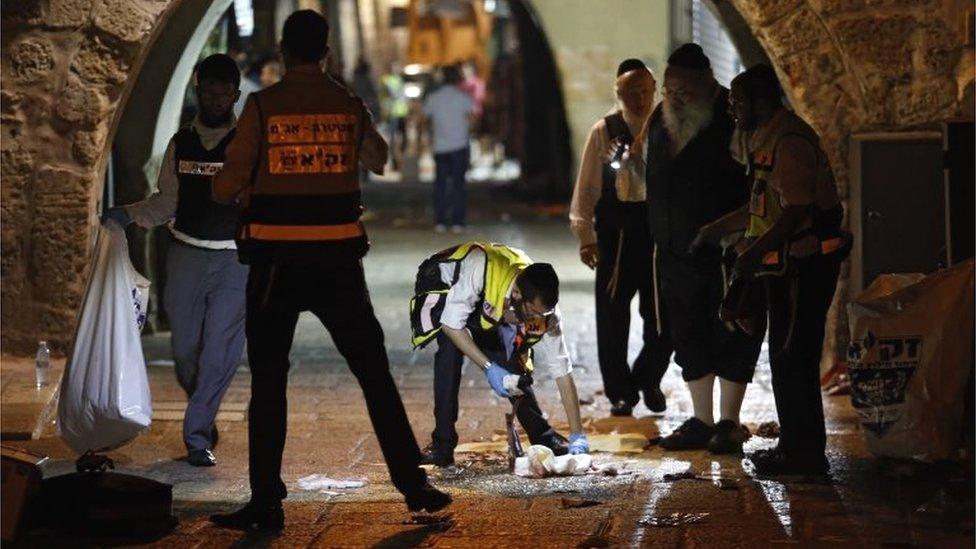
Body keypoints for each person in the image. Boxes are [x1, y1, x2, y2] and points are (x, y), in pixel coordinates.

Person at [208, 10, 450, 530]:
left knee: (269, 382)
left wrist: (250, 182)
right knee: (374, 375)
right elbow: (380, 160)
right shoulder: (347, 105)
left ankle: (266, 504)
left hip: (275, 266)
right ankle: (414, 484)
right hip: (338, 264)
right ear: (327, 54)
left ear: (282, 51)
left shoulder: (263, 107)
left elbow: (224, 188)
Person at [692, 64, 845, 475]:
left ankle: (805, 456)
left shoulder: (789, 142)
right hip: (785, 267)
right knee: (784, 357)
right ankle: (794, 448)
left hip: (805, 265)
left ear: (761, 101)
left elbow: (795, 213)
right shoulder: (766, 137)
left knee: (795, 358)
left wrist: (752, 253)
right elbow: (763, 205)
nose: (731, 108)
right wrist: (716, 229)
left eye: (738, 101)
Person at [103, 54, 246, 468]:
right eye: (209, 92)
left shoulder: (247, 146)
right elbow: (166, 201)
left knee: (220, 350)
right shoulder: (179, 144)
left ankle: (197, 435)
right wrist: (127, 214)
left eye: (224, 94)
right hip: (185, 254)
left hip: (236, 262)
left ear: (235, 95)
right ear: (197, 91)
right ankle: (203, 404)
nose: (216, 101)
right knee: (186, 350)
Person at [632, 44, 763, 454]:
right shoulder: (660, 120)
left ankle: (729, 422)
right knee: (686, 332)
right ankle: (702, 420)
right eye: (669, 89)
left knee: (731, 333)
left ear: (707, 84)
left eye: (684, 89)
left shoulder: (732, 118)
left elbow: (756, 183)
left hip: (723, 251)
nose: (675, 97)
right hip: (672, 252)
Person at [410, 242, 590, 467]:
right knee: (450, 352)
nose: (538, 321)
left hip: (493, 300)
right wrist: (489, 368)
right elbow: (451, 325)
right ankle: (442, 445)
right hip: (446, 286)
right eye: (533, 314)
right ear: (517, 295)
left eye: (543, 314)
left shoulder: (543, 309)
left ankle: (543, 437)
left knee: (511, 367)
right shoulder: (480, 268)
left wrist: (577, 433)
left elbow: (563, 371)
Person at [569, 58, 672, 417]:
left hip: (658, 230)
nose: (640, 99)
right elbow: (587, 187)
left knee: (662, 314)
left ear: (655, 89)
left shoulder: (667, 126)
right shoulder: (605, 130)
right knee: (612, 314)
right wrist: (585, 234)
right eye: (632, 92)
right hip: (618, 230)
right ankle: (620, 392)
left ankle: (648, 376)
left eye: (645, 91)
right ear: (619, 93)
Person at [422, 64, 474, 233]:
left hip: (441, 147)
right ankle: (458, 221)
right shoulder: (463, 97)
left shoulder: (433, 98)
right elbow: (472, 118)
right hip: (459, 146)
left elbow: (425, 118)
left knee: (441, 185)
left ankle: (440, 221)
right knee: (458, 185)